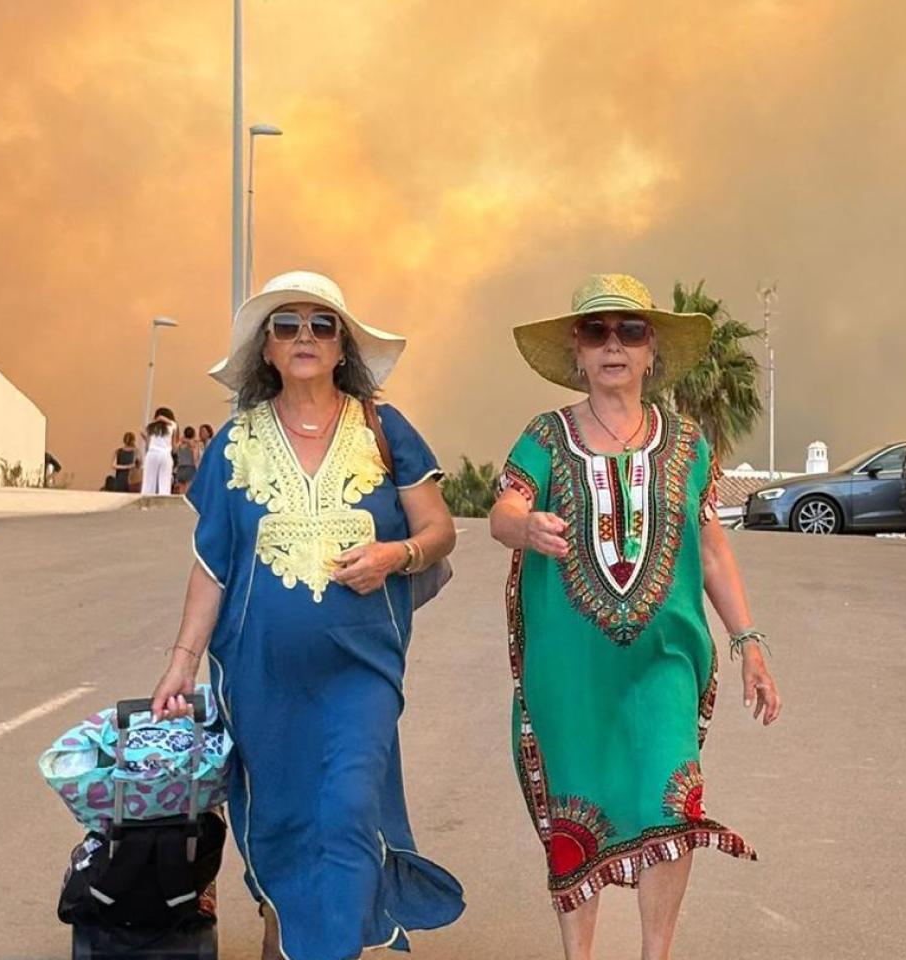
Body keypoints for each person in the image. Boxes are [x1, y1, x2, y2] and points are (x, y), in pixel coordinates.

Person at [150, 270, 464, 960]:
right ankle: (284, 933)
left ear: (341, 345)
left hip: (362, 670)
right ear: (265, 349)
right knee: (284, 822)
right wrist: (180, 665)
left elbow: (439, 530)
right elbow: (212, 566)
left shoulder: (386, 429)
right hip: (260, 676)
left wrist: (396, 554)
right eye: (286, 325)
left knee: (350, 810)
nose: (304, 337)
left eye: (321, 325)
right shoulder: (236, 442)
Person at [489, 274, 783, 960]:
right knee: (577, 807)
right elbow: (505, 508)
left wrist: (748, 640)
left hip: (664, 665)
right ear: (578, 351)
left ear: (652, 351)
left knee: (668, 800)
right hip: (570, 671)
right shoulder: (545, 435)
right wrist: (526, 526)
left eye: (630, 331)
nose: (613, 345)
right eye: (598, 332)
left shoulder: (688, 443)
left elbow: (710, 546)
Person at [141, 418, 174, 496]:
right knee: (165, 482)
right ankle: (164, 501)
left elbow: (147, 439)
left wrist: (156, 420)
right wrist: (162, 418)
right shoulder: (170, 427)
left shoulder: (152, 428)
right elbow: (173, 423)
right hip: (165, 454)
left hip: (152, 453)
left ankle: (146, 501)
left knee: (148, 481)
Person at [173, 426, 199, 494]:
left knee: (181, 491)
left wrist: (181, 440)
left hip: (180, 468)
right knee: (189, 492)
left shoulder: (181, 444)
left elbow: (174, 450)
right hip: (190, 468)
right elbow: (195, 458)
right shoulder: (194, 445)